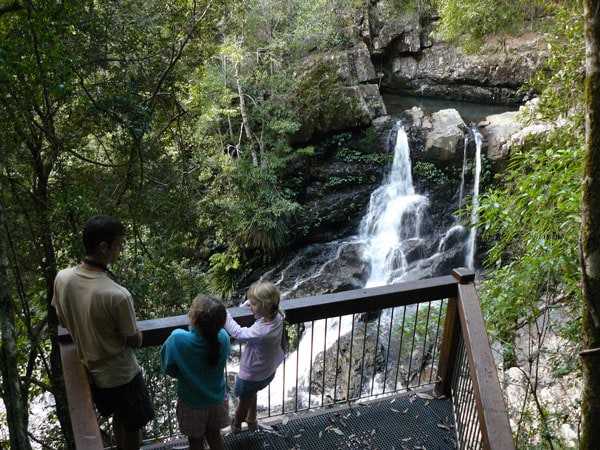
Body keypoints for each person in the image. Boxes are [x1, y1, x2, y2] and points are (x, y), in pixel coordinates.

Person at [52, 215, 154, 450]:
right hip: (122, 374)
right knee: (133, 426)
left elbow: (63, 320)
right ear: (103, 247)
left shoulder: (63, 279)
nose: (122, 249)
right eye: (119, 244)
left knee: (120, 417)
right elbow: (134, 340)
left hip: (92, 372)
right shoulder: (116, 294)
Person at [160, 295, 231, 450]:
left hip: (192, 403)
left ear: (194, 320)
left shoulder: (177, 339)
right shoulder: (224, 337)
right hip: (217, 400)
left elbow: (169, 367)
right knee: (214, 436)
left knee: (195, 441)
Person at [225, 281, 285, 433]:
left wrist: (225, 315)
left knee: (243, 402)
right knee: (252, 393)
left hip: (251, 375)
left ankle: (236, 425)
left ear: (268, 305)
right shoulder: (277, 316)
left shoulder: (261, 331)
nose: (251, 307)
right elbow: (262, 315)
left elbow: (238, 333)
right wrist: (250, 304)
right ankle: (252, 421)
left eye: (254, 304)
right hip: (267, 371)